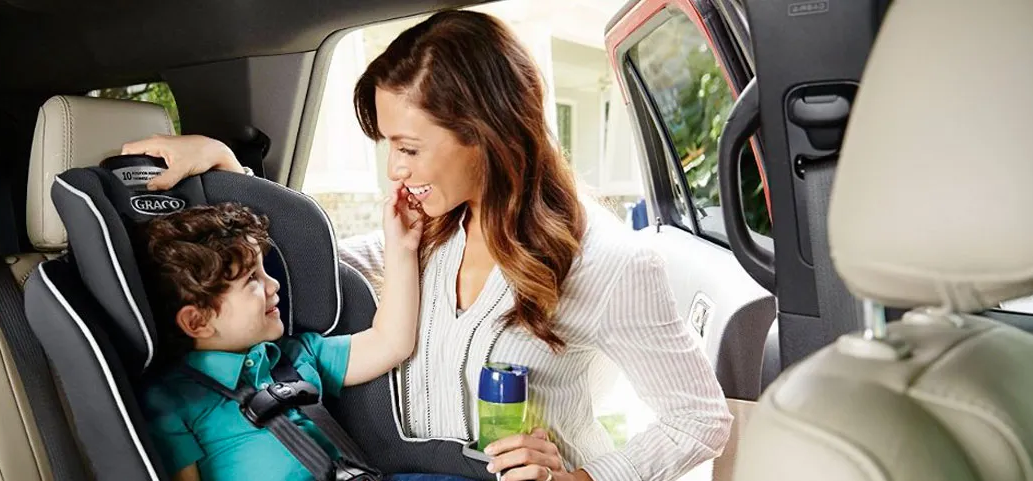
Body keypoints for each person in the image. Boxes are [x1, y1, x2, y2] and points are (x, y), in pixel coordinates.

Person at [124, 10, 732, 481]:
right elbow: (304, 264)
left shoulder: (607, 263)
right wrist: (229, 174)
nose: (395, 170)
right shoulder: (432, 227)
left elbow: (700, 419)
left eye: (409, 148)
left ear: (486, 135)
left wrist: (586, 475)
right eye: (389, 146)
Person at [140, 202, 469, 481]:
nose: (273, 286)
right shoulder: (171, 401)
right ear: (197, 321)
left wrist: (402, 248)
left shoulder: (296, 356)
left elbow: (390, 343)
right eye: (252, 279)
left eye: (264, 271)